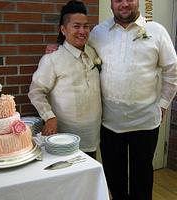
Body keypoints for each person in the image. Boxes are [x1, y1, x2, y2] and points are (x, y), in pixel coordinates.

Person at [88, 0, 177, 200]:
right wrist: (57, 46)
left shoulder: (157, 31)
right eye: (119, 0)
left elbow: (172, 73)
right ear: (111, 3)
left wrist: (163, 104)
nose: (125, 4)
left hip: (145, 123)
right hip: (109, 123)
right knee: (114, 178)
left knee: (142, 179)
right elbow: (80, 52)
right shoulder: (98, 33)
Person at [28, 0, 102, 159]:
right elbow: (36, 92)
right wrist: (49, 116)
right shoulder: (52, 59)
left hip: (93, 132)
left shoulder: (94, 53)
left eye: (86, 26)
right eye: (76, 26)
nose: (82, 31)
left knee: (88, 175)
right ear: (63, 29)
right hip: (65, 137)